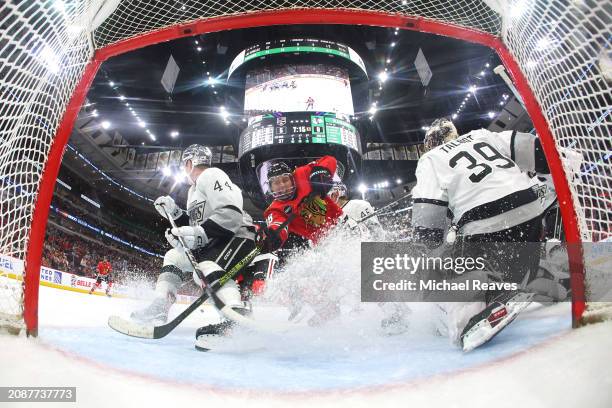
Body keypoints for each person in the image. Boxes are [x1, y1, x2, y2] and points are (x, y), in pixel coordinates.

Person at [411, 117, 553, 351]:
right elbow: (535, 151)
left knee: (451, 273)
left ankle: (468, 320)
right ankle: (541, 277)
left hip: (486, 222)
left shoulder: (430, 160)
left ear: (429, 144)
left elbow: (429, 222)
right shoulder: (481, 135)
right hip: (529, 211)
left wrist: (424, 252)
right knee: (504, 268)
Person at [130, 144, 257, 345]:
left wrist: (198, 235)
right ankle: (160, 306)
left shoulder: (212, 174)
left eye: (184, 165)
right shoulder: (193, 190)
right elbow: (196, 224)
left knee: (205, 269)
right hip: (218, 239)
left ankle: (235, 314)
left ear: (189, 163)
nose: (183, 169)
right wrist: (175, 214)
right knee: (174, 257)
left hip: (239, 235)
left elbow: (231, 215)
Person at [259, 157, 343, 252]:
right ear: (271, 188)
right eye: (276, 183)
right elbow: (277, 225)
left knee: (358, 205)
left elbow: (330, 159)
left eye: (285, 180)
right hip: (324, 242)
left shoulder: (302, 173)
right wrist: (273, 237)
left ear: (292, 179)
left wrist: (321, 172)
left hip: (342, 222)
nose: (282, 185)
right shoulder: (274, 210)